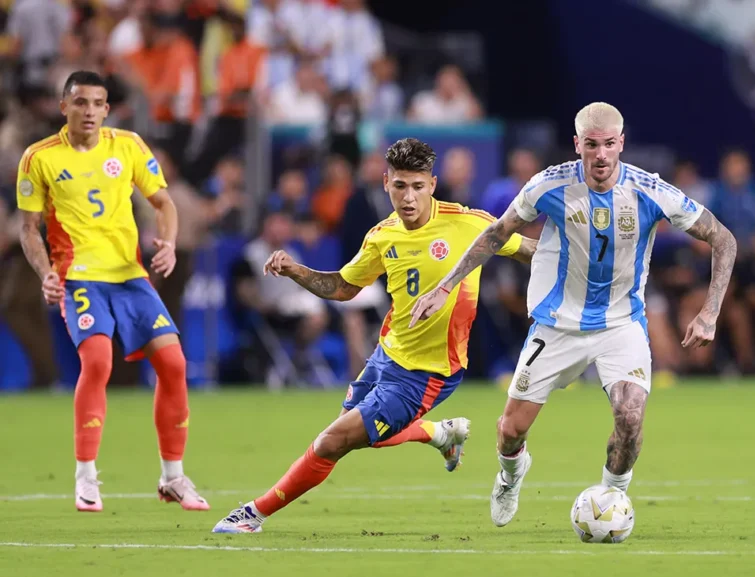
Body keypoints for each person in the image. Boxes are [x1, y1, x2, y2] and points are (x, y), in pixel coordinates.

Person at [410, 102, 738, 527]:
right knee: (510, 430)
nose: (600, 155)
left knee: (630, 414)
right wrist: (445, 286)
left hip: (622, 323)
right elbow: (497, 234)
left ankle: (612, 499)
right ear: (576, 144)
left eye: (608, 144)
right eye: (591, 145)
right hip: (557, 324)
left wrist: (710, 311)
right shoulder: (548, 186)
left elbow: (723, 239)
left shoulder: (651, 191)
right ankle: (511, 476)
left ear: (622, 143)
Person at [212, 138, 538, 534]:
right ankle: (440, 433)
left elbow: (528, 250)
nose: (409, 197)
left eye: (418, 186)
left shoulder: (468, 222)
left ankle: (253, 514)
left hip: (428, 373)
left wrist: (584, 257)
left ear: (432, 184)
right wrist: (296, 270)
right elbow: (344, 288)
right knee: (359, 434)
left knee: (333, 441)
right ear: (386, 183)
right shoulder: (381, 235)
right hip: (386, 356)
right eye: (400, 186)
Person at [16, 70, 208, 512]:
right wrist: (45, 271)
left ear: (107, 108)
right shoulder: (39, 157)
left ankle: (173, 478)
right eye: (79, 102)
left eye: (97, 103)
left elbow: (164, 202)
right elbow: (29, 228)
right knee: (98, 360)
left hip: (129, 274)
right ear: (64, 106)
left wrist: (169, 243)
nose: (89, 111)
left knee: (174, 364)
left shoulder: (128, 145)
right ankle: (86, 476)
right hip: (78, 275)